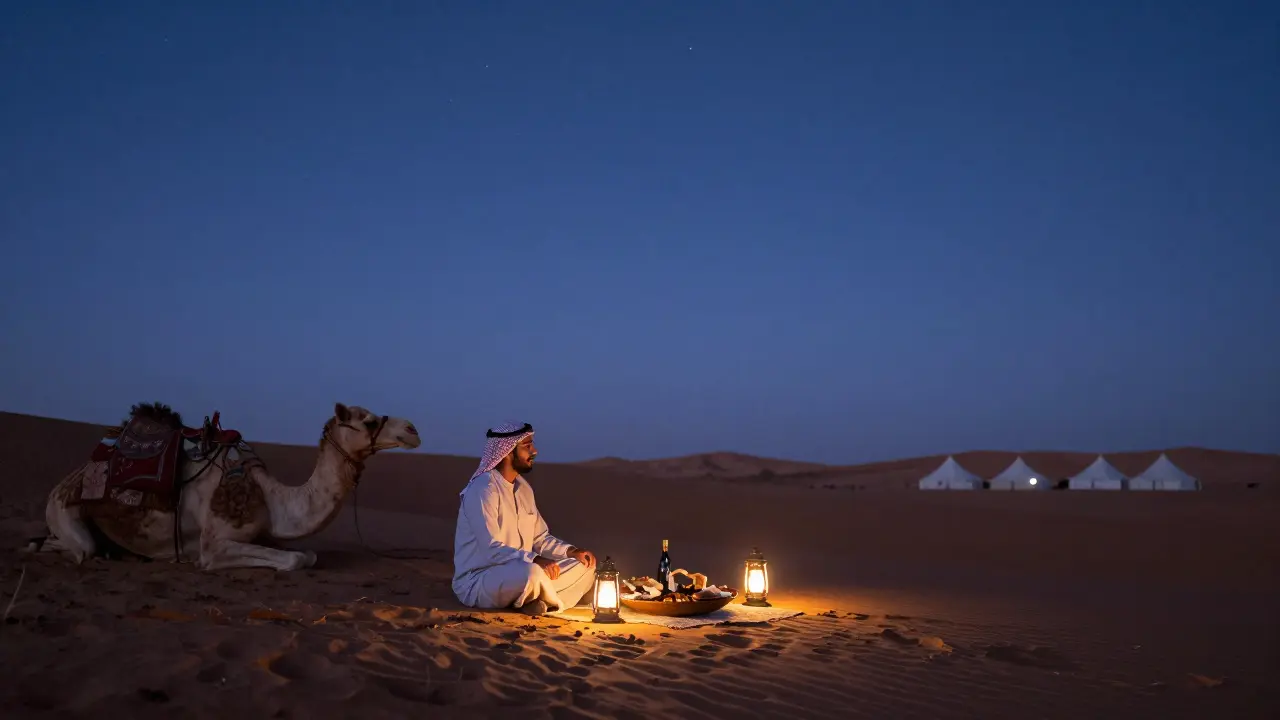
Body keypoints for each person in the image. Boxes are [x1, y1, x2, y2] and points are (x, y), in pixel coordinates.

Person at [451, 421, 598, 616]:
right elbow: (491, 549)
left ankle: (535, 600)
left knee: (586, 565)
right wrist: (536, 560)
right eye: (527, 446)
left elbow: (540, 538)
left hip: (522, 569)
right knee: (532, 574)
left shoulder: (524, 489)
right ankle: (545, 600)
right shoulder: (483, 490)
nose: (534, 451)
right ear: (507, 451)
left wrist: (571, 551)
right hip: (481, 579)